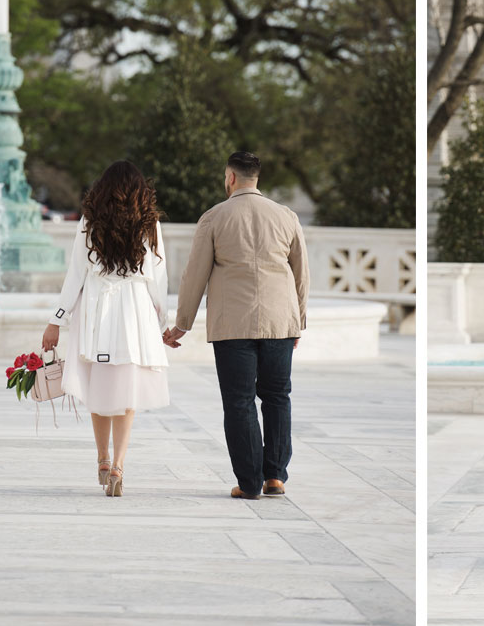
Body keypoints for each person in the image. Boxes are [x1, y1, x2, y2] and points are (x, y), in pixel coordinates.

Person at [163, 152, 309, 500]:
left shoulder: (214, 217)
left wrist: (181, 324)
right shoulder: (286, 216)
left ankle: (248, 482)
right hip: (279, 321)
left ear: (230, 177)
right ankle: (275, 477)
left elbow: (194, 275)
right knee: (277, 396)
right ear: (255, 178)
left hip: (233, 324)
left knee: (239, 401)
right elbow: (302, 273)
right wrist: (298, 322)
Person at [42, 160, 170, 497]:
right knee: (126, 391)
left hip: (97, 308)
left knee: (98, 388)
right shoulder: (150, 224)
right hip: (134, 311)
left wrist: (56, 319)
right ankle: (118, 466)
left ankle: (101, 459)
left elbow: (75, 275)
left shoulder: (90, 221)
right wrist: (164, 322)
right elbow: (158, 278)